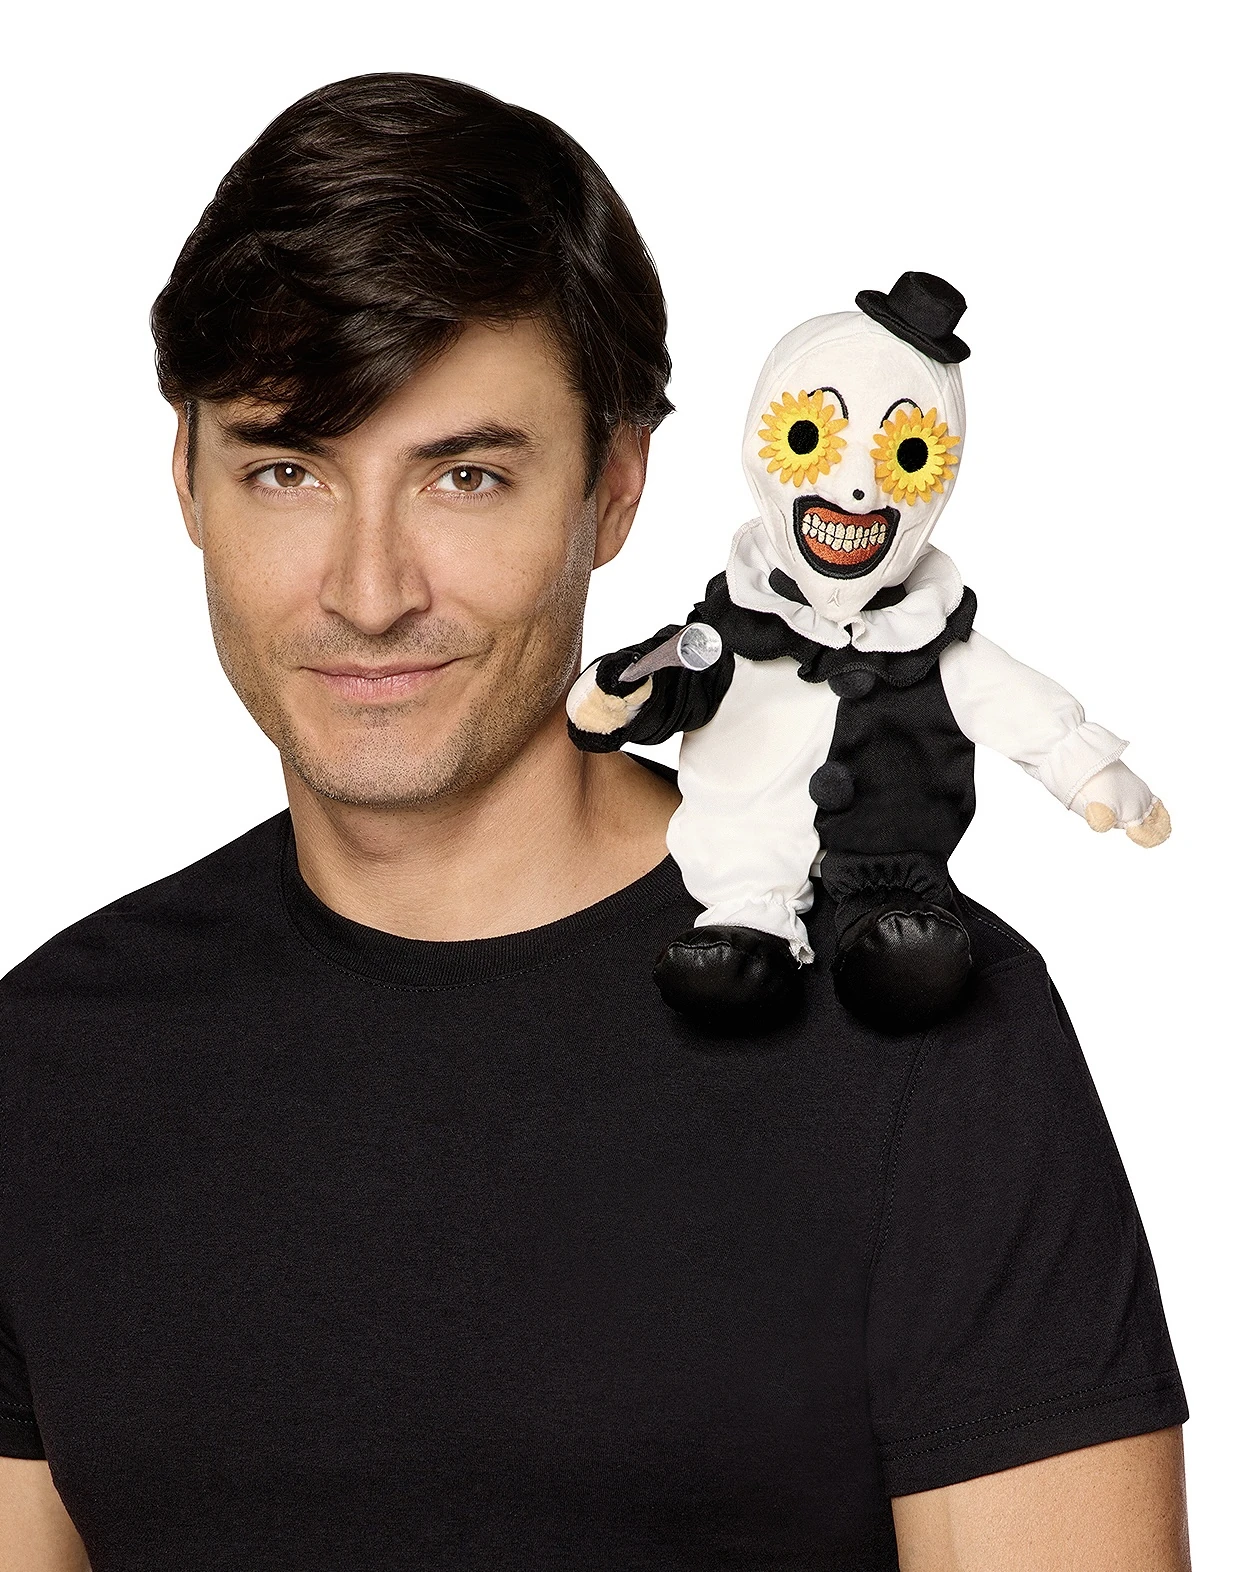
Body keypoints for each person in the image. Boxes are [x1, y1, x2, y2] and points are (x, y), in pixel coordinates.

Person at [0, 72, 1190, 1572]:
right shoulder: (50, 1059)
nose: (369, 592)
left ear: (615, 487)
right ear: (185, 480)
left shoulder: (918, 1034)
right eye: (288, 471)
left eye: (466, 476)